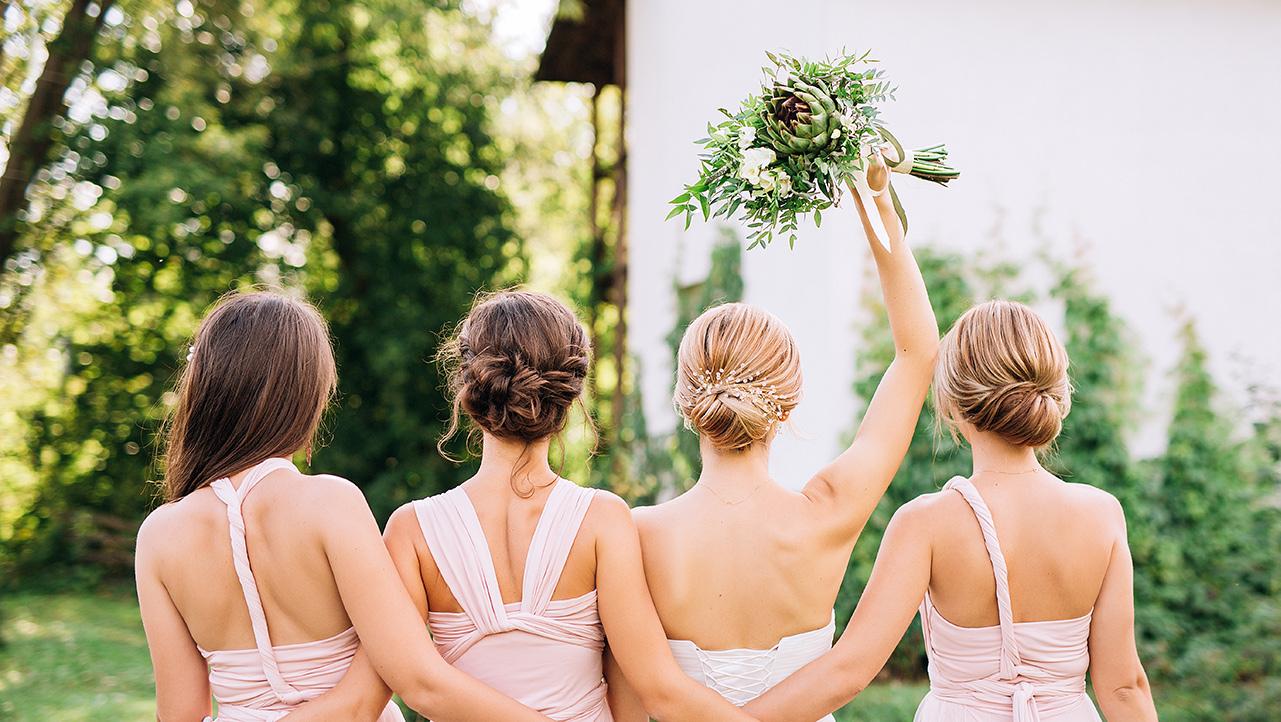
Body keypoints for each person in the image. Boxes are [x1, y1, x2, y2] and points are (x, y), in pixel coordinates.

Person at [605, 159, 939, 720]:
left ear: (686, 402)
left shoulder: (633, 535)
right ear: (789, 403)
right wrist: (876, 202)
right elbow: (918, 353)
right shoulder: (829, 512)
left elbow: (627, 708)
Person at [135, 290, 555, 722]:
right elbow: (407, 687)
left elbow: (179, 715)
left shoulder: (158, 535)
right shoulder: (328, 504)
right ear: (303, 395)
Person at [739, 300, 1159, 721]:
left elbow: (849, 671)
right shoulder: (1102, 515)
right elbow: (1123, 687)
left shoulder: (925, 524)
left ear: (954, 406)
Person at [380, 289, 757, 722]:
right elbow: (655, 687)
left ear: (468, 385)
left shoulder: (411, 530)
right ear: (569, 394)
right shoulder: (602, 520)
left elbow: (420, 686)